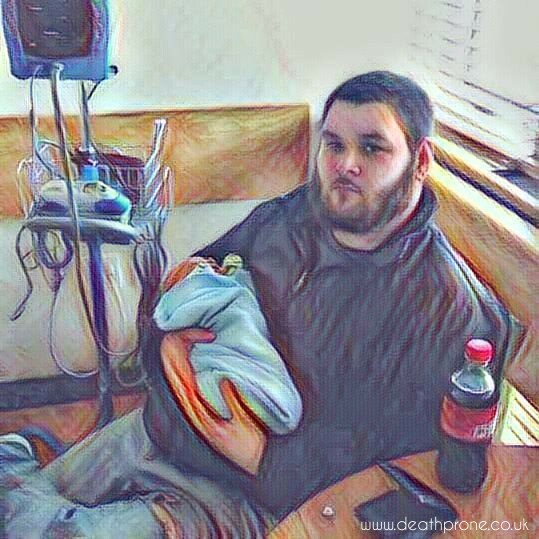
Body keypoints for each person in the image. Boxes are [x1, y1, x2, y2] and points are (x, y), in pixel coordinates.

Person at [144, 70, 520, 524]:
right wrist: (168, 353)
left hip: (258, 505)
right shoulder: (289, 217)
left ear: (420, 161)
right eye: (334, 145)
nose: (346, 165)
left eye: (372, 148)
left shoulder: (452, 311)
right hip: (161, 431)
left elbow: (396, 475)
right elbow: (191, 287)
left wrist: (262, 457)